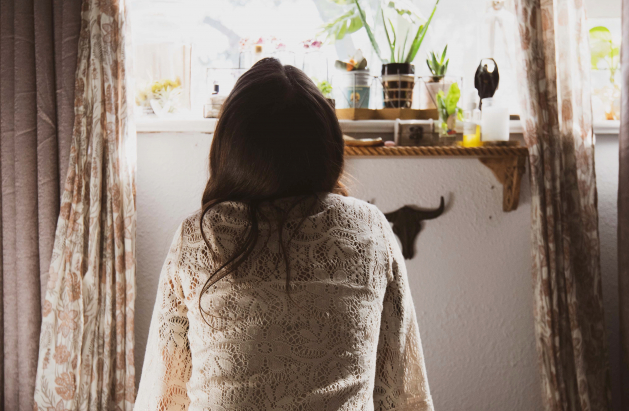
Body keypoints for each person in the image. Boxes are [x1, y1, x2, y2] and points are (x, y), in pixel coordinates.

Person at [134, 58, 434, 411]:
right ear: (327, 148)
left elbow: (167, 392)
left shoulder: (201, 235)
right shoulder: (369, 229)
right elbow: (399, 387)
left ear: (231, 150)